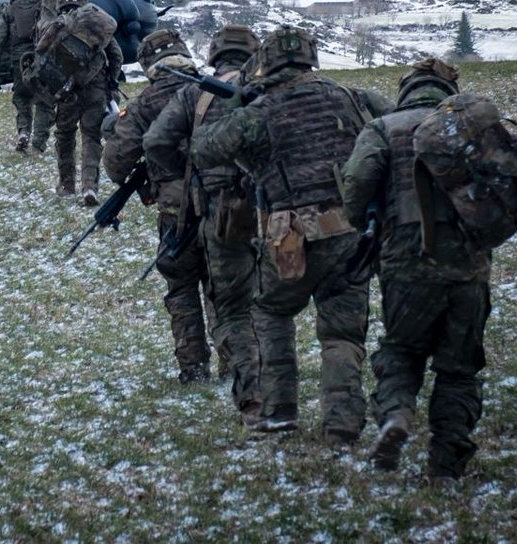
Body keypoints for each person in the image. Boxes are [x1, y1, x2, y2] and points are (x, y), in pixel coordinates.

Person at [189, 26, 377, 446]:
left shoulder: (261, 110)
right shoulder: (347, 96)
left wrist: (236, 103)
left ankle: (279, 412)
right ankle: (342, 423)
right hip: (347, 231)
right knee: (342, 333)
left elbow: (204, 150)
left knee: (272, 315)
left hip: (289, 237)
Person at [341, 58, 492, 484]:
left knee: (400, 351)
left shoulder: (383, 128)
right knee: (459, 369)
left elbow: (356, 187)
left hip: (406, 262)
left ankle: (396, 415)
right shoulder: (475, 128)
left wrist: (366, 224)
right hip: (469, 265)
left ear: (407, 89)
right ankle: (446, 465)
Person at [143, 23, 263, 424]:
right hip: (262, 211)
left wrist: (187, 172)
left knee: (189, 285)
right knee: (244, 296)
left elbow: (155, 142)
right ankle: (239, 366)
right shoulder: (269, 94)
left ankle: (196, 367)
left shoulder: (195, 92)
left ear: (214, 55)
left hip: (205, 208)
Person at [104, 29, 213, 383]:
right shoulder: (217, 92)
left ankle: (193, 366)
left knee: (182, 287)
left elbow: (117, 165)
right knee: (227, 286)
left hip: (175, 211)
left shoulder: (144, 104)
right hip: (225, 206)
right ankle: (238, 360)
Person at [36, 0, 122, 204]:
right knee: (92, 136)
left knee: (65, 135)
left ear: (61, 4)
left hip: (67, 90)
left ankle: (66, 185)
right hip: (96, 87)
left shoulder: (58, 25)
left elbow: (41, 52)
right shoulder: (97, 24)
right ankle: (89, 186)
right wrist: (112, 81)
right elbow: (116, 55)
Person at [0, 0, 49, 152]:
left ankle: (23, 132)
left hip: (19, 60)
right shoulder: (45, 5)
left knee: (22, 97)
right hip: (43, 57)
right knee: (45, 101)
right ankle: (39, 142)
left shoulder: (9, 10)